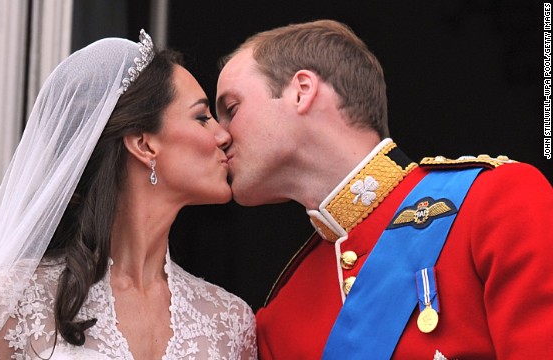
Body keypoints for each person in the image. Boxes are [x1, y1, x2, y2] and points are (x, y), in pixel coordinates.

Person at [216, 19, 553, 359]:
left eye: (231, 109)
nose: (220, 136)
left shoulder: (495, 200)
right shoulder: (278, 319)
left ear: (301, 90)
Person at [0, 31, 257, 360]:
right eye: (201, 117)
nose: (223, 135)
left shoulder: (230, 323)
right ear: (143, 144)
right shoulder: (18, 299)